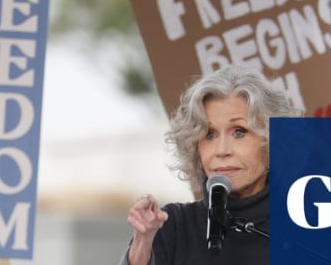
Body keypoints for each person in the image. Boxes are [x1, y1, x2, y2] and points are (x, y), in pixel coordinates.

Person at [119, 65, 300, 264]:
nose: (222, 150)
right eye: (209, 134)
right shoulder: (172, 226)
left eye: (239, 132)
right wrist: (143, 243)